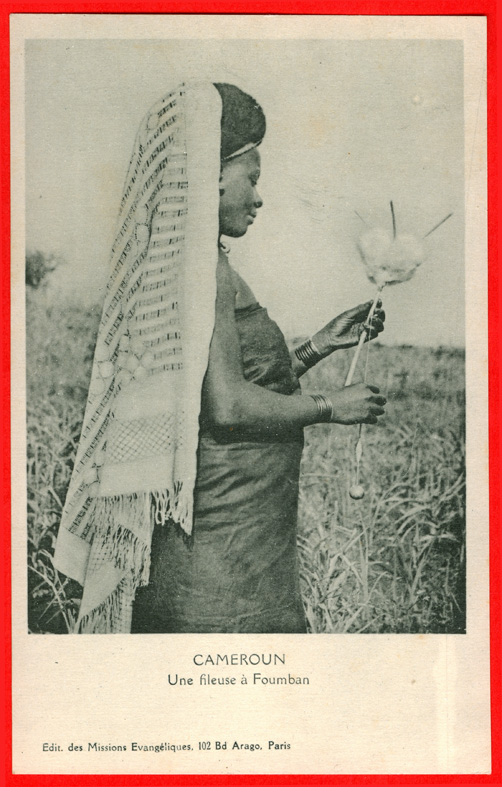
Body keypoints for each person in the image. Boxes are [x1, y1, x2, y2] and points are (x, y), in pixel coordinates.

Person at [53, 81, 385, 634]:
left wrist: (319, 345)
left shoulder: (199, 265)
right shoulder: (205, 271)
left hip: (241, 537)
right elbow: (227, 406)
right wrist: (331, 406)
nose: (258, 197)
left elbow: (211, 387)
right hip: (221, 557)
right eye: (251, 179)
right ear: (210, 178)